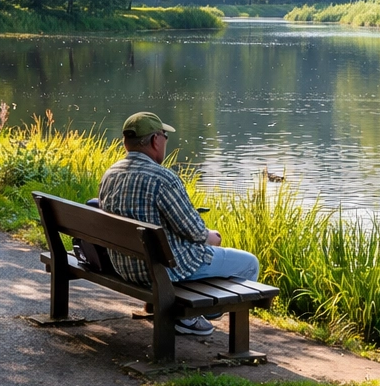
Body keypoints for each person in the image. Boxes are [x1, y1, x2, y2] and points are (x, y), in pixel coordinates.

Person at [97, 111, 261, 336]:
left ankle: (186, 311)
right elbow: (194, 231)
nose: (165, 141)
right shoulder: (162, 178)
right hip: (161, 271)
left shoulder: (110, 174)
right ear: (155, 140)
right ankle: (191, 315)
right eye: (164, 136)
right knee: (249, 263)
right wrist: (210, 236)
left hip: (125, 266)